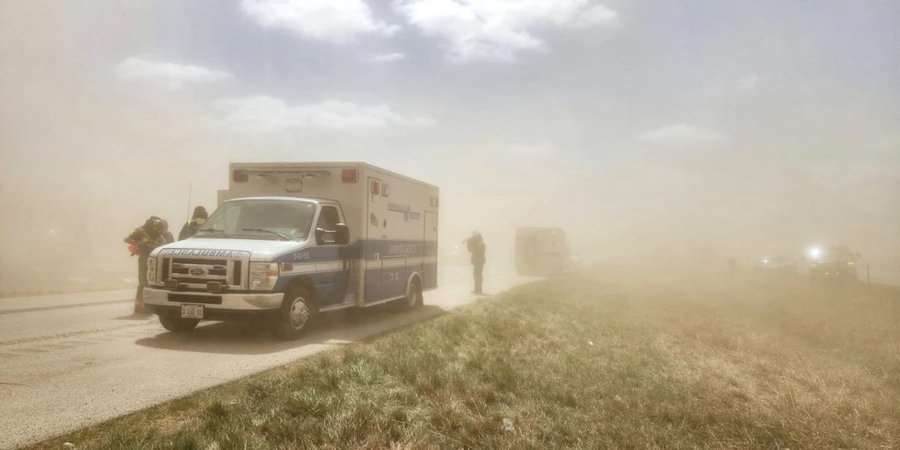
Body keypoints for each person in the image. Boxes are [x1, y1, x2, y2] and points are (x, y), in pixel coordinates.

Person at [124, 216, 168, 313]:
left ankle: (146, 306)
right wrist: (141, 242)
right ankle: (140, 306)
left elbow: (163, 243)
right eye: (157, 228)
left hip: (154, 259)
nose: (159, 231)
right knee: (143, 282)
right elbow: (127, 239)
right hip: (144, 258)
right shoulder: (140, 231)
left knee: (149, 282)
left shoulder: (157, 234)